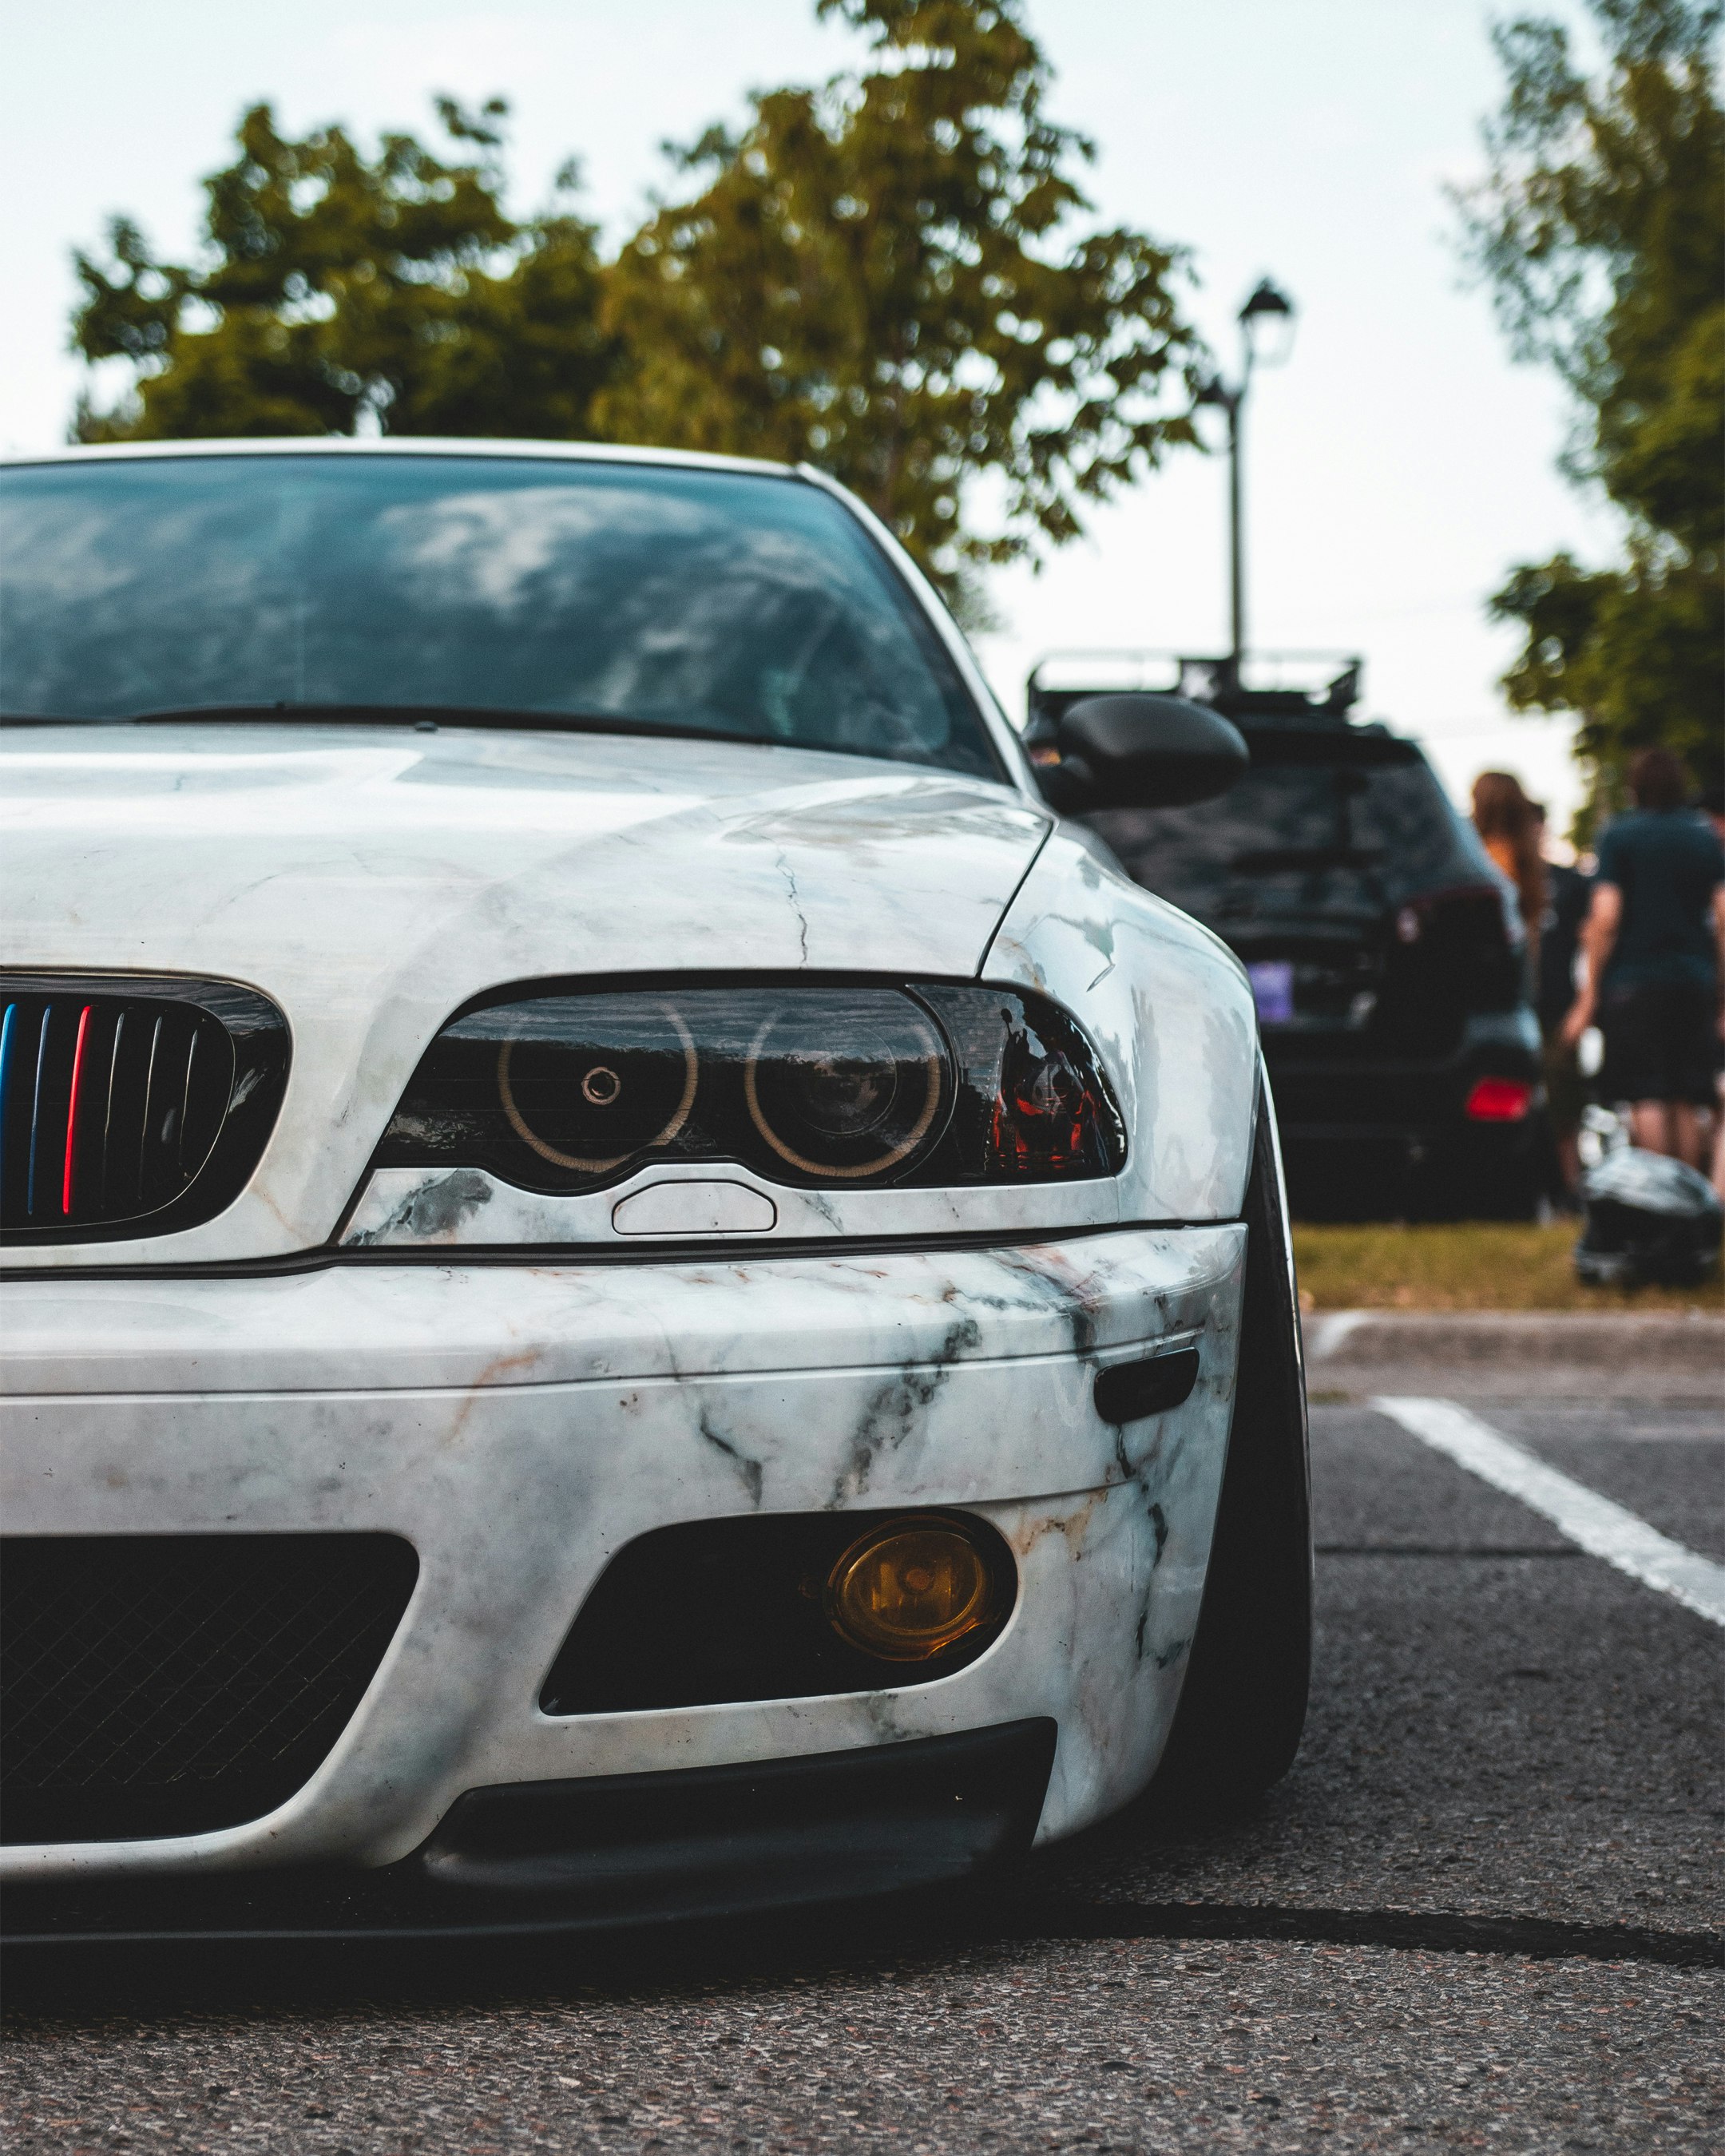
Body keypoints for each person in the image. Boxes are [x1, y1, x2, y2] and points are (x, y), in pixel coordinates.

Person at [1562, 749, 1725, 1169]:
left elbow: (1606, 916)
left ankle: (1660, 1202)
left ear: (1636, 788)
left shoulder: (1618, 837)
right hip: (1693, 980)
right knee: (1688, 1096)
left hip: (1633, 984)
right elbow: (1723, 916)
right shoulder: (1705, 837)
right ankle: (1689, 1200)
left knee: (1646, 1094)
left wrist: (1588, 993)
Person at [1530, 802, 1592, 1200]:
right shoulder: (1501, 876)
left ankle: (1569, 1196)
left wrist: (1585, 1006)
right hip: (1518, 1010)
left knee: (1564, 1112)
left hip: (1559, 1011)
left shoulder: (1568, 883)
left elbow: (1595, 941)